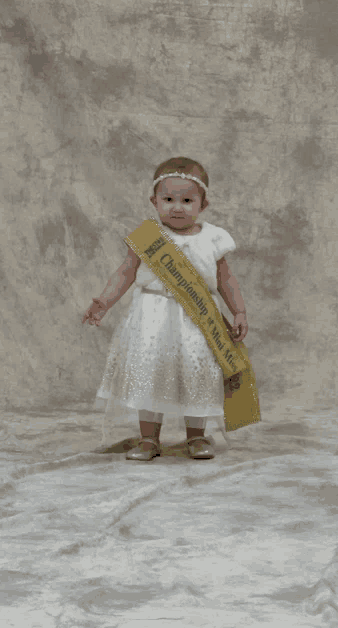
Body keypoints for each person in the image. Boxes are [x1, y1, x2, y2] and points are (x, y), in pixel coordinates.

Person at [82, 156, 249, 461]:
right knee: (151, 372)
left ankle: (196, 437)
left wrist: (239, 311)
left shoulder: (213, 238)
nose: (177, 206)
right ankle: (149, 439)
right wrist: (104, 301)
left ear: (203, 204)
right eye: (168, 199)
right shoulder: (146, 238)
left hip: (197, 320)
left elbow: (226, 279)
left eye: (187, 200)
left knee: (196, 374)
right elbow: (125, 273)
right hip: (152, 318)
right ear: (154, 201)